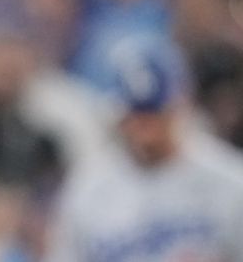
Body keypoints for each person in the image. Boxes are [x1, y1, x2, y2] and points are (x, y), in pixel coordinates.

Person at [46, 41, 243, 262]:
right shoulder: (88, 187)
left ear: (179, 106)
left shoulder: (228, 178)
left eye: (153, 114)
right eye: (136, 116)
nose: (144, 130)